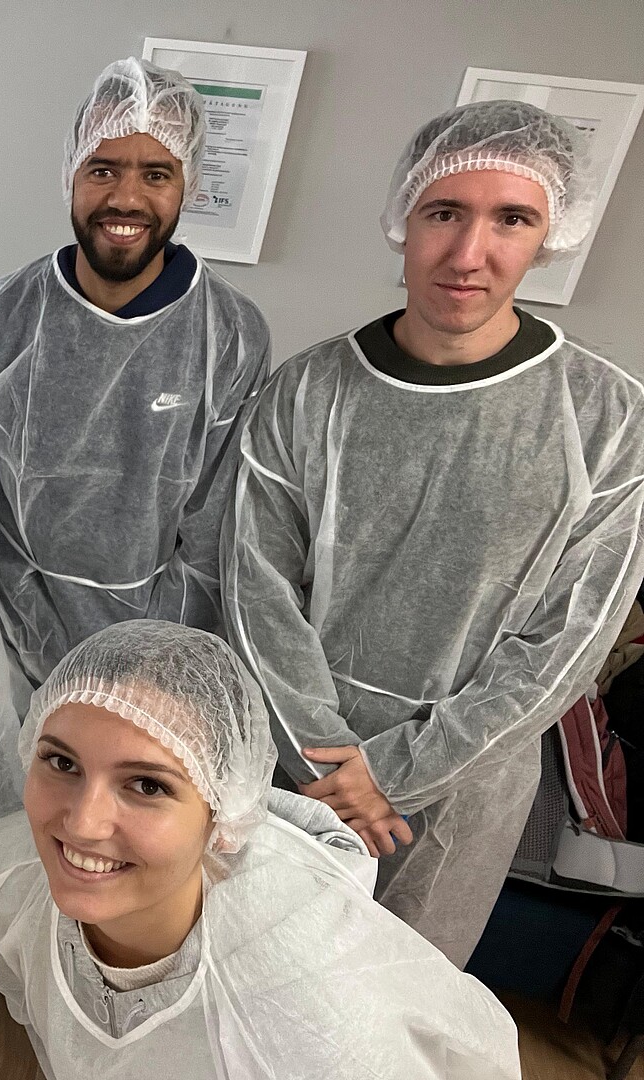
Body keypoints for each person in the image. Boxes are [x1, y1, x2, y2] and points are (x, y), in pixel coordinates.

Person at [0, 57, 270, 1069]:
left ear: (187, 186)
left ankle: (97, 998)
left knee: (117, 838)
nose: (126, 196)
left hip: (149, 646)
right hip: (8, 627)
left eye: (155, 172)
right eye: (105, 168)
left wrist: (162, 664)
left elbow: (217, 528)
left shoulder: (229, 337)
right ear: (71, 173)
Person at [223, 99, 644, 967]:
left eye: (512, 219)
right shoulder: (307, 392)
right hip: (295, 758)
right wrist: (328, 765)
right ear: (402, 220)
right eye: (444, 212)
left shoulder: (607, 419)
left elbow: (569, 642)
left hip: (463, 788)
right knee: (250, 972)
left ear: (552, 234)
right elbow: (257, 589)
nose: (468, 253)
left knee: (393, 1001)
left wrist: (394, 774)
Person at [0, 620, 522, 1079]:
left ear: (224, 818)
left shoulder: (315, 1026)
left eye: (147, 785)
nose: (83, 824)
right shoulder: (5, 879)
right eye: (61, 762)